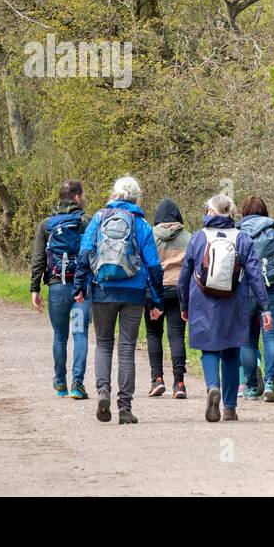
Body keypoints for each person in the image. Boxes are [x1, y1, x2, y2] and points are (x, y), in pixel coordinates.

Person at [73, 176, 163, 425]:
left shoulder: (100, 218)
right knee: (126, 349)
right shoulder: (140, 223)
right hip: (134, 292)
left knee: (103, 344)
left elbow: (84, 253)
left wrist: (79, 286)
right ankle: (125, 407)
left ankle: (103, 392)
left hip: (102, 289)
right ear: (136, 196)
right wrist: (156, 300)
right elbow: (154, 265)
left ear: (113, 194)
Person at [178, 193, 271, 423]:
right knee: (231, 352)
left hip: (202, 302)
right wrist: (265, 307)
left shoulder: (198, 238)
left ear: (211, 212)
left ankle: (212, 387)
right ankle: (229, 407)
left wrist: (184, 304)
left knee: (209, 350)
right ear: (230, 213)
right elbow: (255, 275)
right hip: (234, 301)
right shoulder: (242, 238)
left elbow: (184, 275)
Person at [29, 180, 91, 399]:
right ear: (76, 198)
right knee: (80, 334)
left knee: (60, 335)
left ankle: (60, 382)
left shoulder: (46, 225)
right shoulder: (85, 222)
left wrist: (34, 288)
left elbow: (38, 258)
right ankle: (77, 384)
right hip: (80, 292)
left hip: (57, 288)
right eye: (82, 196)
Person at [237, 195, 274, 402]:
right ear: (264, 211)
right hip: (272, 291)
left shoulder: (237, 235)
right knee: (271, 338)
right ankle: (270, 383)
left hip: (246, 294)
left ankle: (251, 388)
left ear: (243, 212)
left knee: (248, 341)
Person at [147, 198, 190, 399]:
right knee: (176, 337)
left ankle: (157, 379)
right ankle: (179, 383)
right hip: (179, 291)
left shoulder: (149, 235)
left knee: (154, 334)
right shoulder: (188, 238)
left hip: (156, 291)